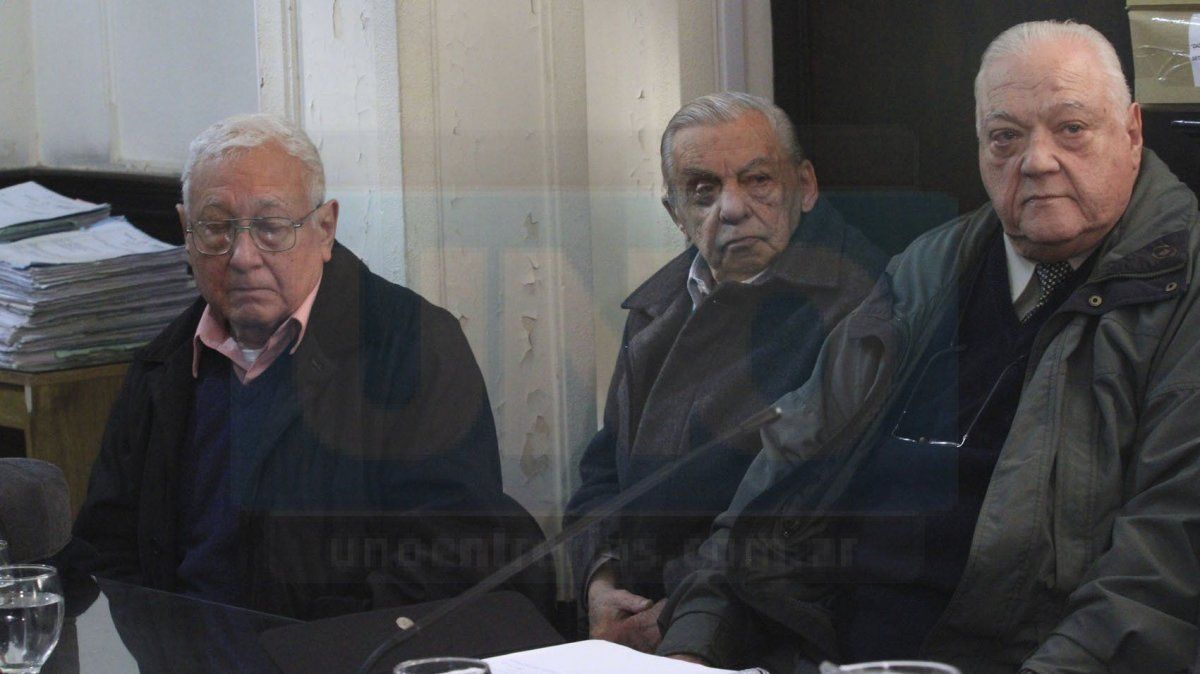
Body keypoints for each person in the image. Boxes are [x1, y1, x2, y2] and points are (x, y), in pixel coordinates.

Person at [657, 21, 1200, 673]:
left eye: (1072, 129)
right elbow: (787, 462)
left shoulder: (1184, 294)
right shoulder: (928, 268)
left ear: (1132, 133)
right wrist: (690, 645)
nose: (1037, 160)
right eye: (1005, 136)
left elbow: (1161, 579)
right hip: (826, 650)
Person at [73, 113, 552, 620]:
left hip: (338, 649)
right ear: (185, 233)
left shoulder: (412, 347)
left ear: (325, 230)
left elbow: (448, 557)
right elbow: (105, 551)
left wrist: (302, 650)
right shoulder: (162, 366)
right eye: (215, 229)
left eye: (271, 227)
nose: (242, 256)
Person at [565, 92, 886, 652]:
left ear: (805, 186)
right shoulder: (656, 307)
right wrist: (601, 580)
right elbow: (602, 471)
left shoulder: (859, 306)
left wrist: (673, 618)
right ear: (675, 214)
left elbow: (807, 521)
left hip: (759, 632)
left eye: (757, 180)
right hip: (631, 625)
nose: (732, 208)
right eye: (703, 190)